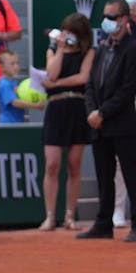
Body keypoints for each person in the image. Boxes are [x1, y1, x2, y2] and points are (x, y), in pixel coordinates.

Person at [78, 0, 136, 240]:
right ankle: (103, 223)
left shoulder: (133, 48)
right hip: (99, 125)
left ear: (124, 19)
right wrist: (93, 111)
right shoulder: (101, 48)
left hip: (122, 123)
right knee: (104, 175)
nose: (107, 21)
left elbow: (128, 88)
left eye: (112, 17)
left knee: (132, 175)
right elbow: (91, 83)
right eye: (106, 16)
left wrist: (102, 113)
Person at [40, 13, 94, 230]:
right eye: (65, 30)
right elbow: (50, 76)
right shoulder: (52, 50)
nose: (67, 35)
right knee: (52, 163)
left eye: (71, 32)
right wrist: (60, 49)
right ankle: (50, 216)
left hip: (77, 108)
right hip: (55, 109)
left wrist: (59, 82)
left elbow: (83, 78)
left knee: (74, 164)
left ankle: (70, 216)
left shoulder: (89, 52)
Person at [0, 50, 43, 124]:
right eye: (12, 64)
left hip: (18, 121)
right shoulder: (4, 84)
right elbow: (15, 103)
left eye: (17, 63)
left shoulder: (14, 82)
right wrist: (35, 105)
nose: (16, 66)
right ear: (2, 67)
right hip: (8, 124)